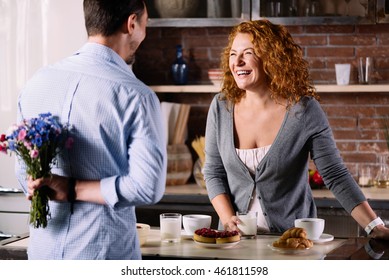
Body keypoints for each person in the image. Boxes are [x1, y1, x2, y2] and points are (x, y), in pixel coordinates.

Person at [203, 19, 389, 240]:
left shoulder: (303, 110)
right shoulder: (220, 106)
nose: (238, 62)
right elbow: (213, 171)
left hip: (292, 242)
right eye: (233, 54)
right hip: (234, 243)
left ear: (271, 58)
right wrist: (227, 219)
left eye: (248, 53)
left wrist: (374, 226)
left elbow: (335, 175)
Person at [15, 0, 167, 259]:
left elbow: (23, 173)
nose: (145, 31)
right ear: (131, 24)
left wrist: (44, 183)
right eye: (145, 24)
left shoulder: (37, 82)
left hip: (42, 254)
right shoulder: (136, 96)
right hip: (102, 255)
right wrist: (74, 189)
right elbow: (147, 187)